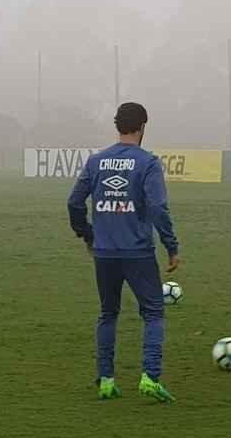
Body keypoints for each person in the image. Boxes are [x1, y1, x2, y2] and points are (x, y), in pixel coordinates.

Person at [67, 102, 181, 402]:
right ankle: (150, 377)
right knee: (153, 313)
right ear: (143, 126)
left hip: (104, 252)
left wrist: (87, 234)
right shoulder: (148, 163)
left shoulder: (96, 161)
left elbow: (74, 203)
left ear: (118, 125)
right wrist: (171, 246)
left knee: (108, 313)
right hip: (138, 252)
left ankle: (106, 380)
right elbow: (158, 207)